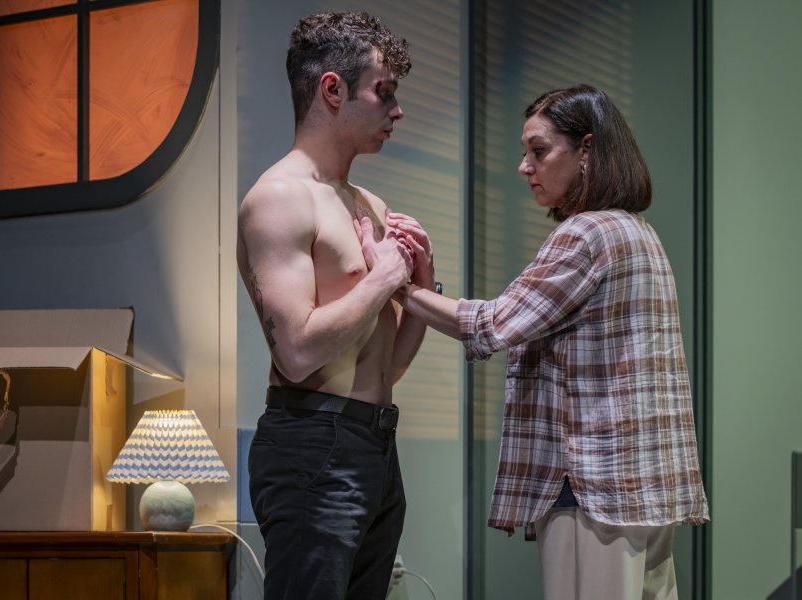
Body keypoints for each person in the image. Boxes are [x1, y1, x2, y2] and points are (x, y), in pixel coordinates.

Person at [388, 84, 709, 599]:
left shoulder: (587, 234)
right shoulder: (638, 233)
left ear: (586, 150)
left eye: (539, 151)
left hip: (595, 488)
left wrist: (400, 285)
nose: (524, 167)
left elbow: (491, 324)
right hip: (643, 487)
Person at [236, 11, 435, 600]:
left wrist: (422, 285)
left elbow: (389, 366)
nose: (396, 111)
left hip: (375, 443)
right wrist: (384, 280)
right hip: (312, 442)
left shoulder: (369, 204)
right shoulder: (278, 198)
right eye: (384, 92)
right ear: (332, 89)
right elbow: (296, 353)